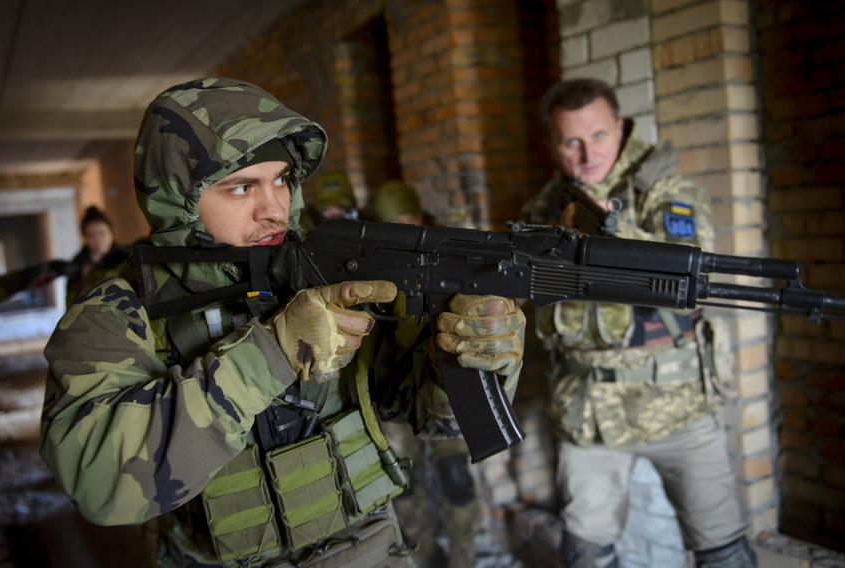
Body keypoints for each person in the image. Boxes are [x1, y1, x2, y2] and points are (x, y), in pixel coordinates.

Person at [39, 77, 525, 567]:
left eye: (283, 179)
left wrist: (473, 356)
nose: (274, 208)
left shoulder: (321, 274)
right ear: (179, 199)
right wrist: (269, 352)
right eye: (243, 186)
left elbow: (428, 415)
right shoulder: (118, 314)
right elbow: (99, 483)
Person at [521, 78, 756, 568]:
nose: (587, 155)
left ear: (621, 129)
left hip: (678, 407)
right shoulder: (547, 205)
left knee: (724, 552)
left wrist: (613, 232)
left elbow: (694, 272)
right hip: (587, 413)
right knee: (584, 552)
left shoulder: (664, 189)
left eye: (599, 136)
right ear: (552, 145)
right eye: (571, 142)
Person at [370, 180, 480, 568]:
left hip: (446, 390)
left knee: (457, 480)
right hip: (392, 399)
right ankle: (421, 555)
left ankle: (464, 556)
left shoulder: (450, 253)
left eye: (405, 221)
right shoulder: (370, 261)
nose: (400, 231)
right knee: (404, 487)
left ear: (419, 216)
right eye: (390, 224)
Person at [65, 205, 130, 306]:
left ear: (111, 234)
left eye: (101, 233)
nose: (97, 239)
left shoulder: (125, 257)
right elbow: (70, 304)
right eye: (91, 235)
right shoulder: (77, 265)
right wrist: (84, 279)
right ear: (85, 238)